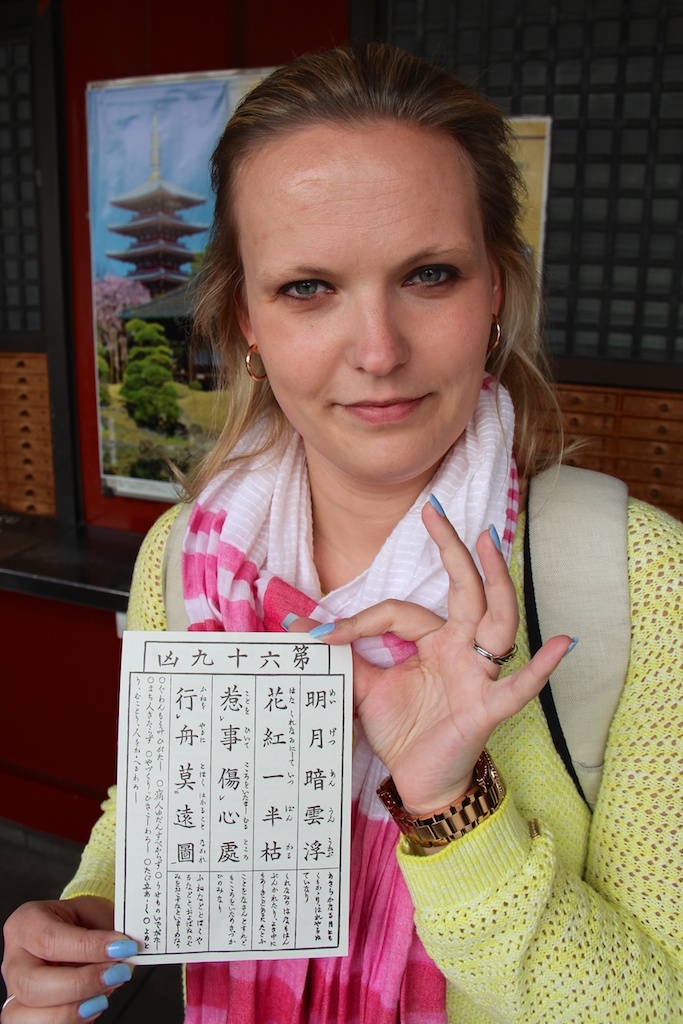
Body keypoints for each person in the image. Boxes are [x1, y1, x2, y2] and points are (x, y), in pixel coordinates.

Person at [2, 41, 682, 1024]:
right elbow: (155, 801)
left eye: (430, 274)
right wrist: (98, 910)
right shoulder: (193, 556)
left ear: (495, 289)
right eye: (307, 288)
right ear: (245, 317)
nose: (377, 350)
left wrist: (451, 808)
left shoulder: (634, 580)